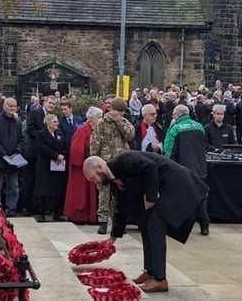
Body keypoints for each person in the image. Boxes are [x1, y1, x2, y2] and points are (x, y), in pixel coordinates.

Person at [83, 152, 209, 294]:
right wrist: (112, 238)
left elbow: (150, 166)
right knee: (145, 223)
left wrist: (150, 198)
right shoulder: (114, 179)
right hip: (165, 189)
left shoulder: (123, 160)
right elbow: (120, 208)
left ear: (99, 167)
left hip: (178, 184)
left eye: (93, 178)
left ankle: (160, 280)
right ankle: (150, 272)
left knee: (155, 225)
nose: (95, 182)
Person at [89, 97, 136, 234]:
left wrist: (119, 122)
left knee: (120, 195)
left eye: (121, 112)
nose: (118, 114)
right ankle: (103, 222)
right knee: (104, 194)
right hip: (105, 163)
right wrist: (94, 162)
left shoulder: (124, 122)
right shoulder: (101, 124)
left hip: (121, 164)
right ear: (111, 109)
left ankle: (118, 223)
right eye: (116, 111)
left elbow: (130, 135)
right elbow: (95, 143)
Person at [162, 104, 210, 235]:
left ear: (177, 115)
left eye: (173, 115)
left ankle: (179, 226)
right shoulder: (199, 126)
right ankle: (204, 225)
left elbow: (168, 151)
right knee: (200, 197)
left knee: (180, 197)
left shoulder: (175, 129)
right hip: (200, 167)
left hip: (182, 168)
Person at [0, 97, 24, 215]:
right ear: (4, 106)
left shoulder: (17, 122)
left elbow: (22, 139)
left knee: (13, 187)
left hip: (14, 160)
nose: (12, 108)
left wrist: (17, 151)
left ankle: (10, 211)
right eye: (10, 106)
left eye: (14, 106)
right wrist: (4, 153)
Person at [64, 107, 101, 224]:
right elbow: (76, 149)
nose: (101, 119)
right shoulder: (82, 131)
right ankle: (79, 217)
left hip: (94, 166)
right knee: (81, 192)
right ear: (92, 118)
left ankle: (92, 216)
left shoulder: (97, 130)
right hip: (82, 167)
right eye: (99, 117)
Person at [34, 113, 68, 222]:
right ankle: (42, 214)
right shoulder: (41, 134)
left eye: (57, 121)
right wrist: (55, 155)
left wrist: (62, 155)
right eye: (55, 121)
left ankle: (57, 213)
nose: (57, 123)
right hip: (45, 165)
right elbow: (42, 148)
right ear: (48, 123)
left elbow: (65, 146)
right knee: (43, 190)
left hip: (58, 166)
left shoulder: (60, 133)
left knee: (58, 189)